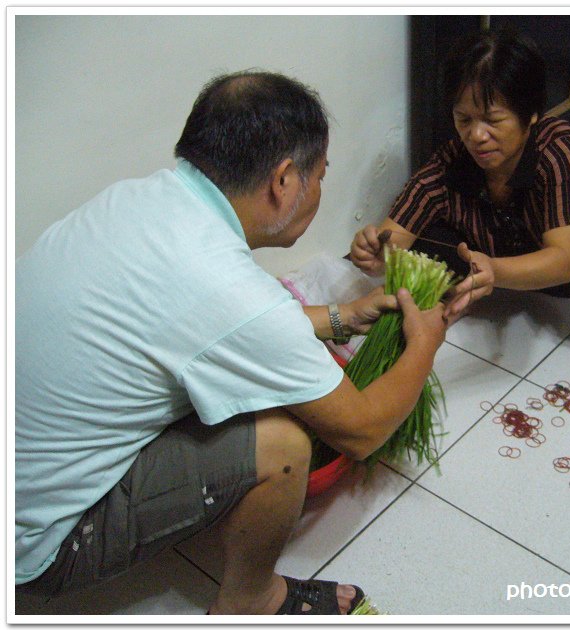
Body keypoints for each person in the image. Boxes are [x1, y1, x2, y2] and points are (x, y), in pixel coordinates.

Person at [15, 71, 448, 615]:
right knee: (285, 443)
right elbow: (361, 429)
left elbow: (217, 326)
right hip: (37, 545)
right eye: (319, 175)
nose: (318, 190)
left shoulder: (137, 200)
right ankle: (252, 600)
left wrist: (342, 316)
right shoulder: (226, 288)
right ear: (284, 181)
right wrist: (425, 342)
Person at [351, 28, 570, 373]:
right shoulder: (450, 161)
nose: (476, 136)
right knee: (425, 242)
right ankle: (465, 291)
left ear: (530, 114)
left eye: (493, 120)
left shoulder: (562, 150)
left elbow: (562, 262)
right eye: (464, 119)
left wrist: (494, 272)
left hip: (556, 267)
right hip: (485, 258)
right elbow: (395, 236)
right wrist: (379, 256)